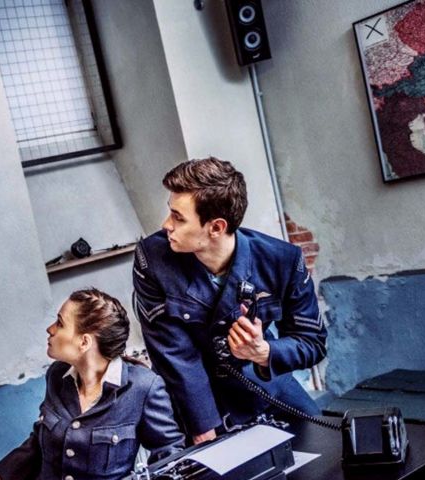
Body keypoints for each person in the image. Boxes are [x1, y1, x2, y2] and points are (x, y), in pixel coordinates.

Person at [133, 157, 327, 444]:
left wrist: (263, 351)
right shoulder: (153, 259)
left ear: (216, 227)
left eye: (178, 217)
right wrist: (203, 430)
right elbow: (176, 355)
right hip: (198, 403)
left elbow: (312, 343)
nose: (166, 225)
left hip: (265, 387)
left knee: (327, 446)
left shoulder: (282, 261)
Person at [0, 288, 184, 480]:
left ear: (84, 342)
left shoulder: (143, 387)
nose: (50, 329)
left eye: (60, 323)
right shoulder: (57, 375)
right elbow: (41, 439)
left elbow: (169, 454)